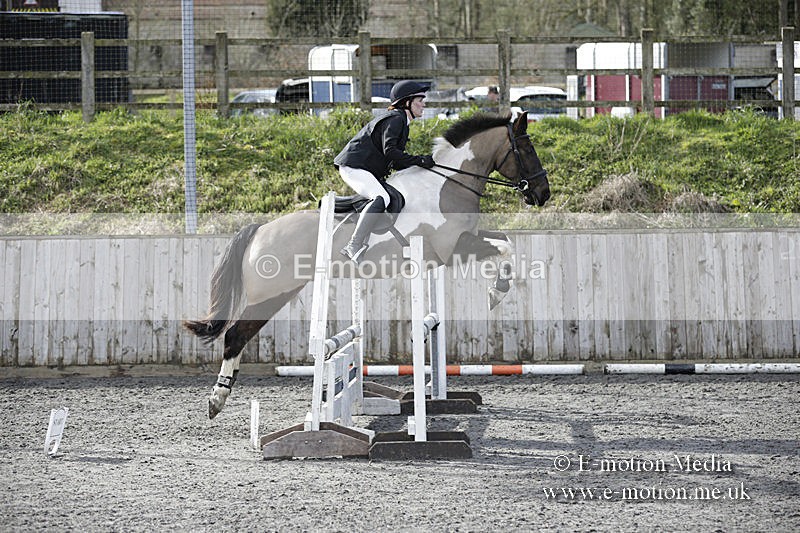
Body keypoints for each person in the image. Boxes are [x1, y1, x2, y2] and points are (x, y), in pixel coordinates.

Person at [334, 80, 436, 262]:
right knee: (382, 198)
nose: (424, 104)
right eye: (420, 99)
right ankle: (353, 245)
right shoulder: (396, 119)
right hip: (353, 166)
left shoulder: (401, 121)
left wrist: (420, 165)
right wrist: (419, 160)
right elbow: (390, 151)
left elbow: (394, 161)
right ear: (407, 102)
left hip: (365, 168)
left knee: (390, 196)